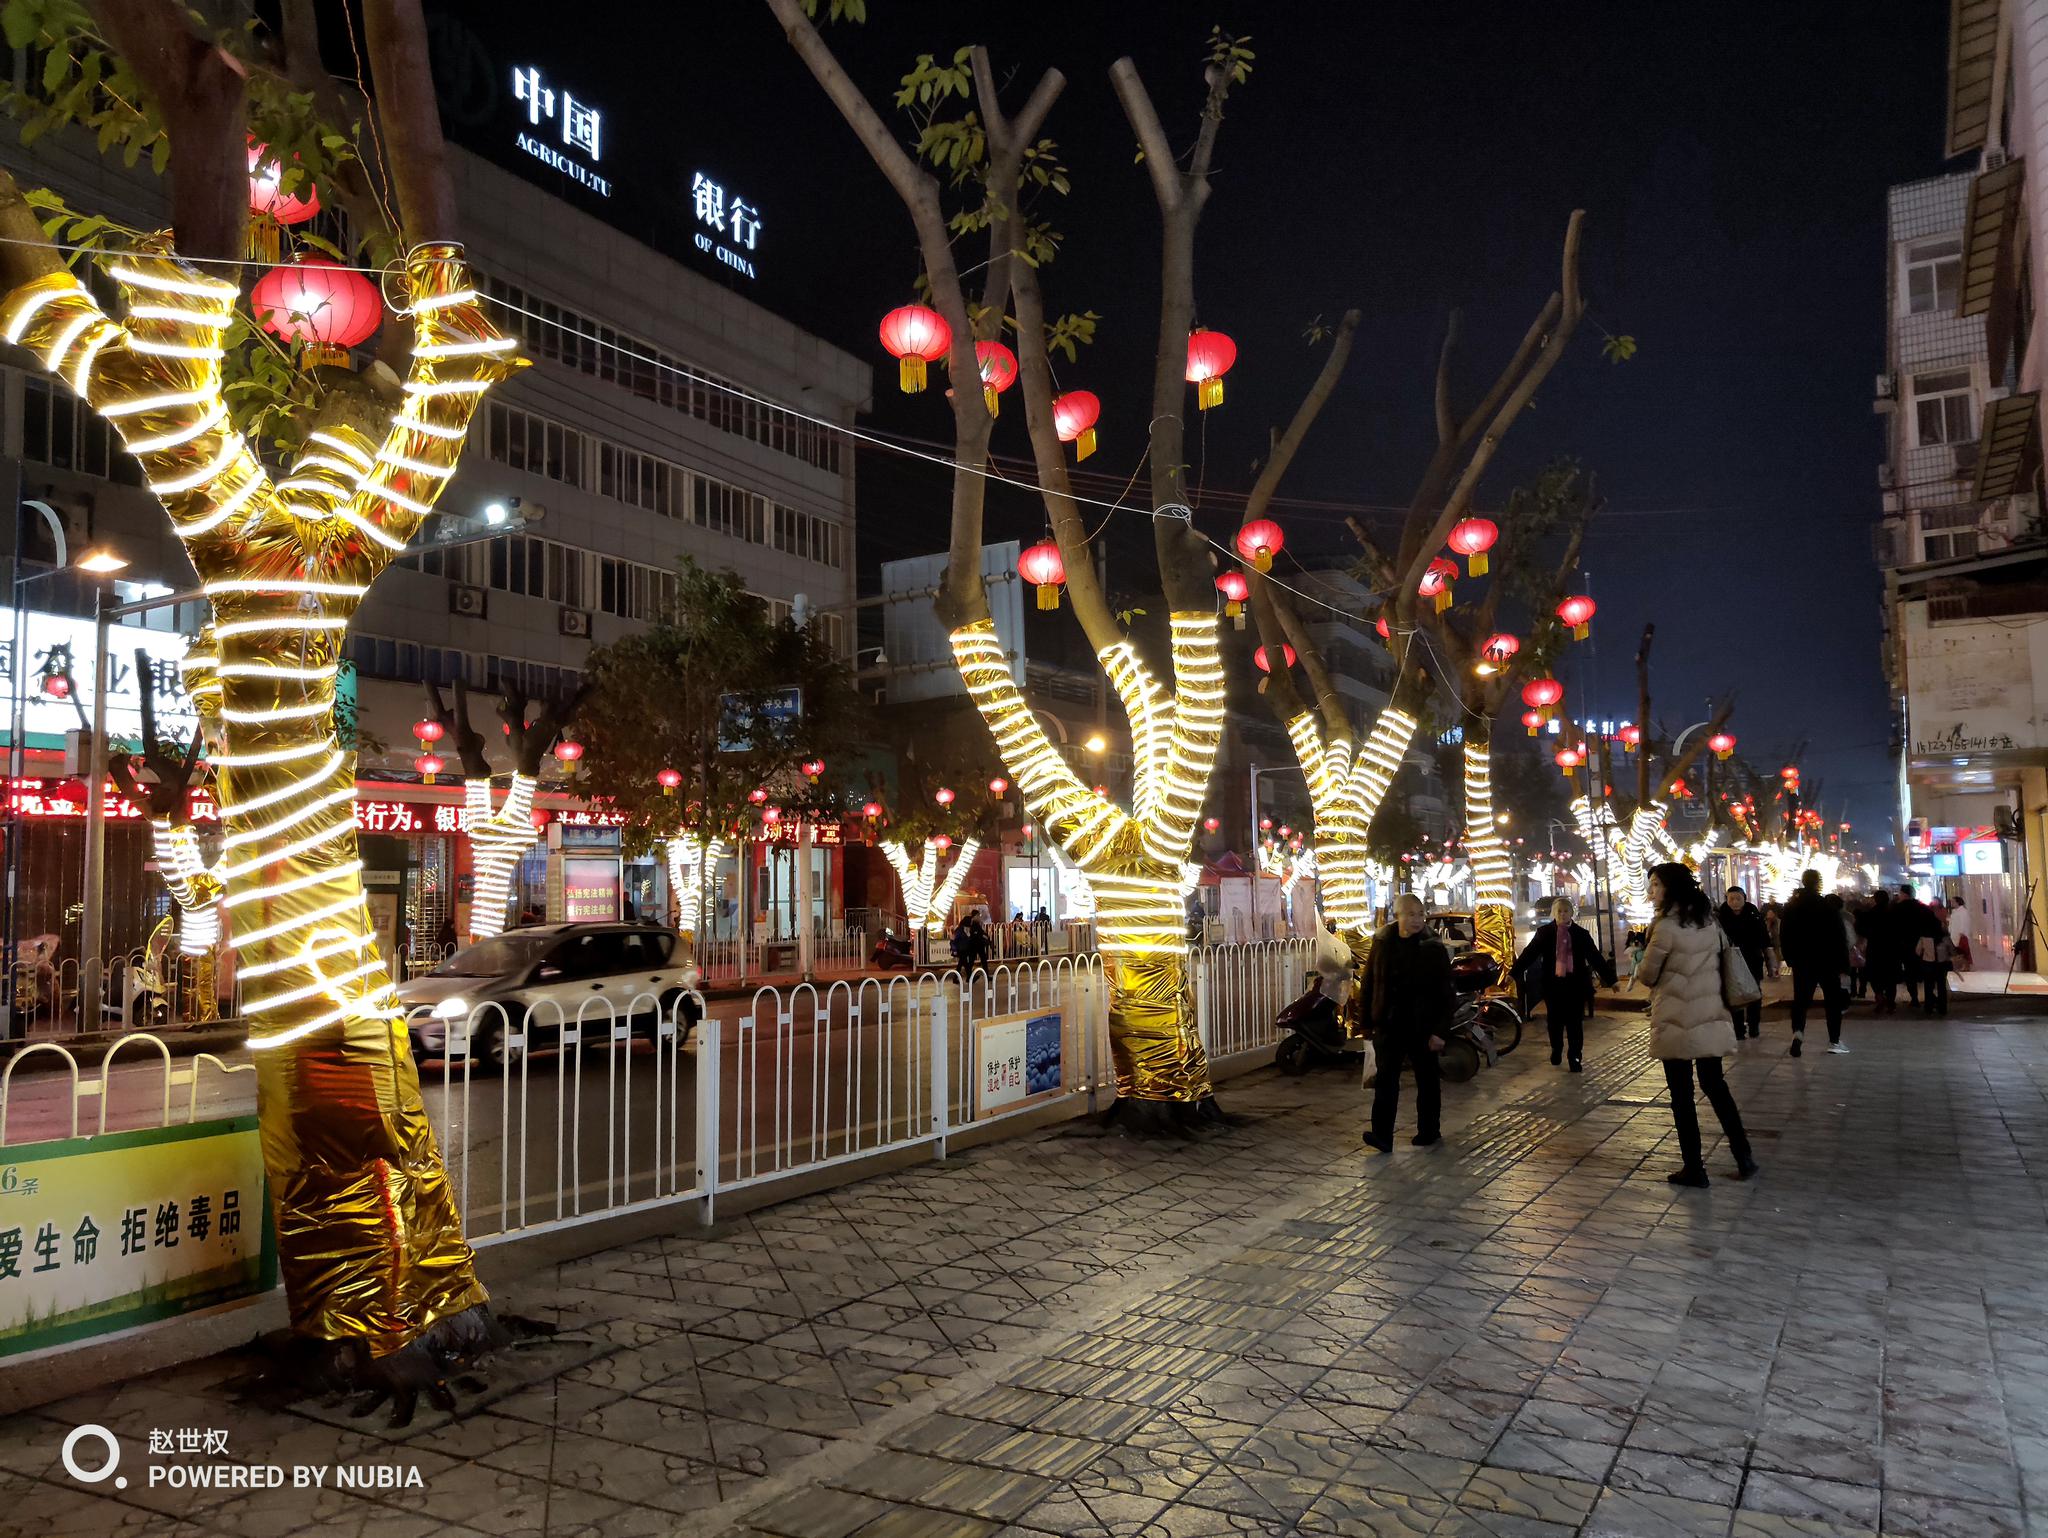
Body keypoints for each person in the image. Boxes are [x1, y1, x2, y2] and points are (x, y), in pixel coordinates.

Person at [1636, 862, 1757, 1187]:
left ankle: (1694, 1168)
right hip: (1708, 1015)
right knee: (1716, 1086)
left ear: (1670, 888)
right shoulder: (1709, 921)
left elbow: (1647, 975)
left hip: (1676, 1019)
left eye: (1656, 884)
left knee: (1682, 1096)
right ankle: (1743, 1155)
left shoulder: (1665, 927)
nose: (1652, 891)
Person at [1360, 893, 1451, 1153]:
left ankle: (1429, 1130)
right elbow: (1368, 983)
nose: (1417, 920)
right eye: (1411, 914)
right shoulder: (1382, 943)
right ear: (1397, 916)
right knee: (1385, 1080)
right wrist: (1365, 1022)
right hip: (1389, 1025)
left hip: (1422, 1025)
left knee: (1427, 1080)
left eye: (1420, 914)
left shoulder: (1432, 946)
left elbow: (1446, 992)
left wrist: (1440, 1031)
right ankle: (1382, 1136)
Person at [1513, 896, 1606, 1072]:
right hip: (1553, 986)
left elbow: (1595, 957)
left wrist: (1611, 979)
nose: (1562, 914)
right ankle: (1556, 1048)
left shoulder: (1580, 934)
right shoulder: (1545, 933)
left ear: (1572, 913)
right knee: (1555, 1022)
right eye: (1559, 911)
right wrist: (1513, 973)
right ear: (1554, 913)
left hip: (1575, 986)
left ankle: (1575, 1057)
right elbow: (1529, 954)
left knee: (1575, 1024)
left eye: (1565, 911)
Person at [1780, 869, 1849, 1056]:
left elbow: (1784, 935)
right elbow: (1839, 936)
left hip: (1802, 961)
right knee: (1832, 1002)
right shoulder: (1827, 906)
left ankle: (1798, 1033)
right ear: (1818, 883)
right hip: (1827, 961)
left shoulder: (1792, 907)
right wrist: (1843, 963)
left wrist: (1789, 958)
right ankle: (1834, 1041)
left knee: (1801, 1000)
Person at [1716, 886, 1769, 1040]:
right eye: (1731, 899)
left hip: (1752, 959)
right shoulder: (1721, 915)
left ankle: (1754, 1026)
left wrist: (1769, 957)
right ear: (1726, 899)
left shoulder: (1752, 912)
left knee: (1754, 992)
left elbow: (1763, 936)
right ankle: (1738, 1029)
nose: (1735, 902)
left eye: (1738, 898)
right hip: (1730, 960)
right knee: (1734, 993)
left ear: (1744, 899)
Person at [1886, 884, 1930, 1010]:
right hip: (1920, 944)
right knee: (1921, 969)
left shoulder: (1895, 909)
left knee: (1907, 971)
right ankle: (1927, 998)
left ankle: (1912, 997)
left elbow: (1891, 928)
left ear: (1903, 894)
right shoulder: (1922, 908)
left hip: (1901, 945)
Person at [1860, 889, 1898, 1012]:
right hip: (1891, 949)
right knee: (1890, 978)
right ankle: (1890, 1002)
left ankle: (1880, 997)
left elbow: (1863, 930)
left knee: (1875, 976)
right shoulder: (1893, 913)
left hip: (1875, 948)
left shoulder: (1870, 913)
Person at [1948, 895, 1974, 973]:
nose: (1951, 903)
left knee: (1963, 951)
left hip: (1960, 934)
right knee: (1958, 951)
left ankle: (1965, 965)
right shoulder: (1955, 911)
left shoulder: (1963, 911)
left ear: (1957, 902)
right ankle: (1960, 965)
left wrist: (1962, 932)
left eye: (1953, 901)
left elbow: (1964, 922)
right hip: (1954, 933)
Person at [1762, 901, 1784, 979]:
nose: (1770, 914)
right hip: (1767, 942)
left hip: (1776, 942)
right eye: (1768, 913)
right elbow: (1765, 931)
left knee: (1777, 957)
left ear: (1774, 914)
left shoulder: (1778, 921)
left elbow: (1779, 931)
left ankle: (1776, 970)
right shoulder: (1764, 922)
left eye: (1771, 913)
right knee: (1769, 957)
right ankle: (1771, 971)